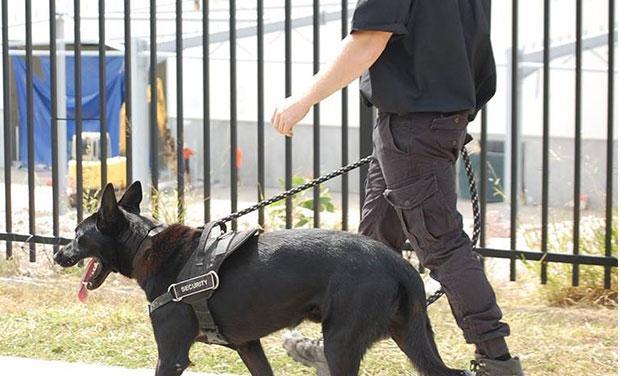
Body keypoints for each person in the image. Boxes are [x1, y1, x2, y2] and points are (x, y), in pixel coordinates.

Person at [271, 1, 524, 375]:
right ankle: (340, 347)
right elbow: (474, 47)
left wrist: (303, 99)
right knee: (373, 246)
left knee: (441, 244)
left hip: (413, 128)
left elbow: (369, 40)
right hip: (426, 123)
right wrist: (458, 113)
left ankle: (496, 361)